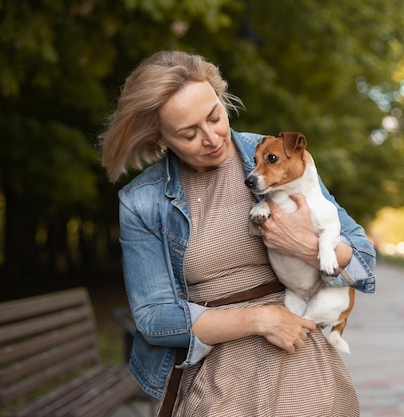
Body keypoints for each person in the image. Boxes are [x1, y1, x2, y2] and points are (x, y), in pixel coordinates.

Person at [99, 50, 376, 417]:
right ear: (161, 139)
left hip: (299, 349)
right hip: (217, 367)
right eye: (189, 133)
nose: (212, 138)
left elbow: (363, 257)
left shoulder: (271, 157)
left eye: (215, 117)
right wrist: (260, 319)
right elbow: (153, 319)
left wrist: (308, 246)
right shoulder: (142, 201)